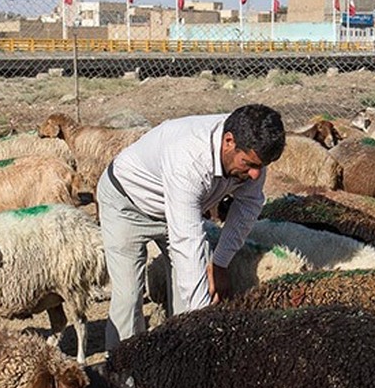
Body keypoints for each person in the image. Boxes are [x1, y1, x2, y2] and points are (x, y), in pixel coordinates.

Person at [97, 103, 286, 350]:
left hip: (178, 209)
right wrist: (203, 323)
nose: (254, 175)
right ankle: (125, 371)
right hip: (127, 203)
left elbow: (248, 206)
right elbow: (188, 243)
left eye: (260, 167)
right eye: (248, 164)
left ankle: (181, 357)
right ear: (228, 141)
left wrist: (220, 263)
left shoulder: (249, 154)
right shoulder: (190, 157)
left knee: (193, 286)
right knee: (129, 296)